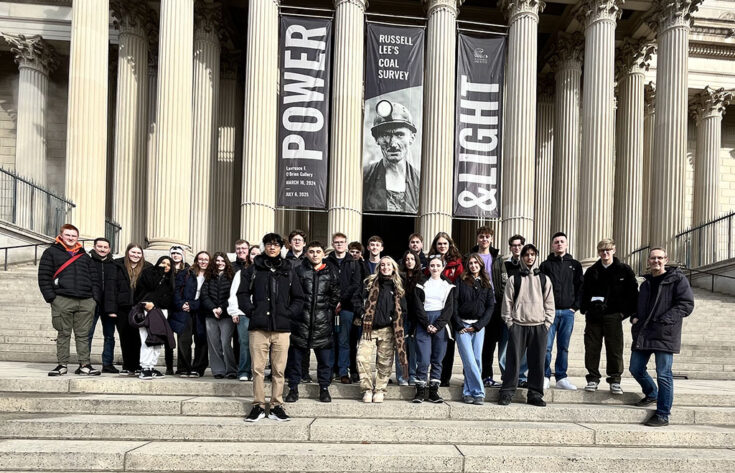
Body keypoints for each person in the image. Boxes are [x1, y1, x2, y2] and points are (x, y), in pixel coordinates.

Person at [233, 233, 305, 423]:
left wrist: (289, 313)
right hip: (259, 327)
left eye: (276, 245)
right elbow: (241, 294)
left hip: (282, 328)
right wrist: (252, 312)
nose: (272, 248)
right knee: (257, 368)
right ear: (264, 246)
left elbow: (299, 297)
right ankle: (257, 405)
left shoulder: (289, 269)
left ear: (281, 247)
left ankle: (276, 405)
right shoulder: (253, 268)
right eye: (269, 245)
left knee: (279, 370)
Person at [629, 248, 694, 427]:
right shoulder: (646, 284)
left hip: (664, 334)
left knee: (664, 374)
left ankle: (663, 414)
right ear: (648, 261)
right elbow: (639, 304)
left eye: (659, 258)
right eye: (653, 258)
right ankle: (651, 393)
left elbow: (686, 304)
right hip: (645, 333)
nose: (656, 261)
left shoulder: (677, 279)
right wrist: (635, 316)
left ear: (666, 259)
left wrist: (666, 319)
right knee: (635, 368)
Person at [39, 224, 101, 376]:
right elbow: (44, 276)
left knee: (83, 335)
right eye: (68, 235)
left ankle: (84, 365)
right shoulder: (51, 252)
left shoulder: (85, 256)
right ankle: (62, 365)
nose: (71, 238)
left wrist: (94, 299)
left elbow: (94, 279)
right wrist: (52, 298)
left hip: (86, 301)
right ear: (61, 235)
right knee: (63, 333)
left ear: (77, 238)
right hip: (62, 299)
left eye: (74, 236)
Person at [580, 239, 638, 395]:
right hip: (594, 316)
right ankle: (592, 378)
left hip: (614, 315)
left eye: (608, 250)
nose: (605, 253)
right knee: (592, 348)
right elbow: (584, 292)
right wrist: (585, 309)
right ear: (598, 252)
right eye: (602, 250)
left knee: (615, 348)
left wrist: (622, 314)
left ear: (614, 250)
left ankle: (615, 380)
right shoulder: (592, 271)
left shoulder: (624, 270)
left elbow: (632, 294)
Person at [499, 244, 555, 407]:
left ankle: (535, 394)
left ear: (536, 256)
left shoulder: (544, 279)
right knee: (513, 361)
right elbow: (507, 302)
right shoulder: (513, 279)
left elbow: (549, 303)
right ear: (521, 257)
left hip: (539, 326)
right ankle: (507, 392)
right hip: (518, 325)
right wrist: (510, 323)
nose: (529, 257)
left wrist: (547, 323)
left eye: (532, 254)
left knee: (537, 362)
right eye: (526, 255)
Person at [286, 241, 340, 403]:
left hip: (322, 323)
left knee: (324, 361)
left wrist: (325, 312)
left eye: (318, 251)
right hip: (300, 322)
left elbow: (335, 295)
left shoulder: (331, 272)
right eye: (311, 251)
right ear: (306, 253)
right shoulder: (298, 271)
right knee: (295, 360)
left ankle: (324, 388)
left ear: (324, 254)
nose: (315, 254)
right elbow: (292, 295)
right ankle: (293, 389)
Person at [356, 256, 408, 403]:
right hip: (368, 329)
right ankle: (366, 389)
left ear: (393, 268)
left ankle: (379, 389)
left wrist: (393, 319)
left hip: (387, 330)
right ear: (379, 267)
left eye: (388, 265)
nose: (385, 267)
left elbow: (403, 309)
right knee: (362, 358)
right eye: (382, 265)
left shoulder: (398, 286)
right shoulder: (369, 283)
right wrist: (362, 313)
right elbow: (356, 299)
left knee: (384, 362)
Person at [540, 232, 583, 391]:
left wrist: (575, 307)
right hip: (549, 313)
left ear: (566, 244)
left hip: (567, 312)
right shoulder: (545, 265)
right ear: (552, 245)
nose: (559, 244)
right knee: (547, 347)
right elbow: (540, 288)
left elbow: (581, 287)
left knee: (563, 346)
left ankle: (561, 377)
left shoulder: (575, 265)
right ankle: (544, 376)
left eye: (562, 241)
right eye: (556, 242)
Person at [412, 255, 456, 403]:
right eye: (432, 265)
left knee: (437, 359)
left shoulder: (448, 285)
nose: (435, 268)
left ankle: (433, 391)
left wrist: (437, 325)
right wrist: (426, 324)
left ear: (443, 267)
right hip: (424, 321)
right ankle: (420, 390)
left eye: (438, 265)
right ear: (428, 267)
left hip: (441, 323)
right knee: (424, 359)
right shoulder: (421, 284)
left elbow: (449, 308)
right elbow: (417, 306)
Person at [363, 100, 420, 213]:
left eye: (399, 134)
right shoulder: (364, 177)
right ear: (376, 139)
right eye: (385, 135)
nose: (393, 144)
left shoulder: (421, 182)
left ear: (412, 138)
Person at [466, 226, 505, 388]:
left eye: (487, 237)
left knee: (489, 343)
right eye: (482, 236)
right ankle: (471, 375)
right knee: (473, 344)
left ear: (492, 239)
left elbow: (504, 281)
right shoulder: (469, 257)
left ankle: (487, 375)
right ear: (477, 239)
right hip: (475, 305)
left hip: (494, 305)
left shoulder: (498, 258)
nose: (484, 239)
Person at [454, 254, 494, 405]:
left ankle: (468, 392)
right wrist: (458, 325)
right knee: (469, 360)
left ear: (481, 265)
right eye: (470, 263)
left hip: (478, 327)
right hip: (463, 327)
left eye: (476, 263)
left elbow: (490, 307)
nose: (473, 266)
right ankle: (479, 392)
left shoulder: (486, 283)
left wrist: (479, 325)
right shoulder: (461, 281)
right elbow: (454, 303)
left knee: (477, 360)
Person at [108, 243, 151, 375]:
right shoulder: (117, 265)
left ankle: (137, 365)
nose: (136, 255)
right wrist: (111, 309)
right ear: (127, 252)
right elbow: (111, 288)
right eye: (133, 252)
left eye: (138, 253)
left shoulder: (148, 267)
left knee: (138, 337)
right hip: (122, 308)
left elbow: (150, 288)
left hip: (139, 308)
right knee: (125, 336)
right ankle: (127, 365)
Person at [325, 233, 363, 384]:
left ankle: (343, 371)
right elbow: (325, 282)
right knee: (329, 340)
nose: (339, 245)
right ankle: (329, 371)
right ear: (333, 244)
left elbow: (356, 285)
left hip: (347, 308)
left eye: (342, 242)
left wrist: (341, 301)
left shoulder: (354, 263)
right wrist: (333, 301)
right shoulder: (327, 262)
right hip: (329, 307)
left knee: (344, 341)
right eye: (336, 242)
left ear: (346, 244)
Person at [428, 232, 463, 387]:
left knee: (447, 344)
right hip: (433, 308)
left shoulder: (457, 263)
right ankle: (433, 376)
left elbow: (460, 284)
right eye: (439, 243)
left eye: (445, 243)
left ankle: (445, 378)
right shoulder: (429, 262)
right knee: (433, 346)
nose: (442, 246)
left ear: (450, 245)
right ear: (435, 245)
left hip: (450, 308)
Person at [132, 256, 176, 380]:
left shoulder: (171, 280)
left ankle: (151, 366)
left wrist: (156, 305)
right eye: (163, 263)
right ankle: (145, 367)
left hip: (161, 311)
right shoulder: (148, 274)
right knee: (147, 339)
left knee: (157, 340)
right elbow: (151, 287)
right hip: (147, 310)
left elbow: (169, 299)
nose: (165, 266)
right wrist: (159, 271)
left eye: (168, 264)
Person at [170, 251, 210, 377]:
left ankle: (198, 368)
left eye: (206, 259)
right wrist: (181, 304)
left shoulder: (211, 276)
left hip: (201, 311)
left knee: (201, 340)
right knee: (184, 339)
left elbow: (209, 296)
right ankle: (183, 367)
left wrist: (192, 305)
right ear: (196, 260)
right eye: (201, 259)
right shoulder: (186, 273)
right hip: (184, 311)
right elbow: (176, 290)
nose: (203, 261)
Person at [200, 253, 236, 379]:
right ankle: (218, 370)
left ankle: (231, 369)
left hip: (226, 315)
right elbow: (204, 295)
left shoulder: (231, 277)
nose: (220, 263)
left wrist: (222, 308)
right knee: (214, 344)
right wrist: (213, 308)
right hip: (211, 315)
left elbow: (232, 296)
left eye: (222, 260)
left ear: (226, 262)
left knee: (226, 342)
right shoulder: (208, 277)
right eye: (217, 261)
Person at [499, 234, 529, 386]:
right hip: (508, 311)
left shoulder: (531, 265)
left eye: (519, 245)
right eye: (514, 245)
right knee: (504, 345)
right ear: (510, 248)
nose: (517, 248)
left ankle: (522, 377)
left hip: (525, 312)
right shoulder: (505, 265)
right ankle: (506, 375)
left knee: (523, 347)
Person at [87, 237, 119, 373]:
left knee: (109, 336)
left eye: (105, 247)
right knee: (87, 335)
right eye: (100, 246)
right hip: (92, 303)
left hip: (109, 305)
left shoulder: (115, 265)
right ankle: (84, 363)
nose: (102, 249)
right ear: (95, 247)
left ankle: (107, 364)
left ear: (109, 249)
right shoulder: (87, 262)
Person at [396, 250, 422, 386]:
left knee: (413, 349)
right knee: (401, 348)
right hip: (401, 317)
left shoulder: (422, 278)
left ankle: (412, 375)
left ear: (416, 261)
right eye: (407, 259)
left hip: (416, 317)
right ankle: (402, 376)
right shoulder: (399, 278)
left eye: (412, 259)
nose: (409, 261)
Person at [229, 241, 253, 381]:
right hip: (243, 313)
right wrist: (234, 311)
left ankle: (257, 370)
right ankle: (244, 370)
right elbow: (233, 293)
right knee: (244, 342)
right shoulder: (240, 272)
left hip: (261, 313)